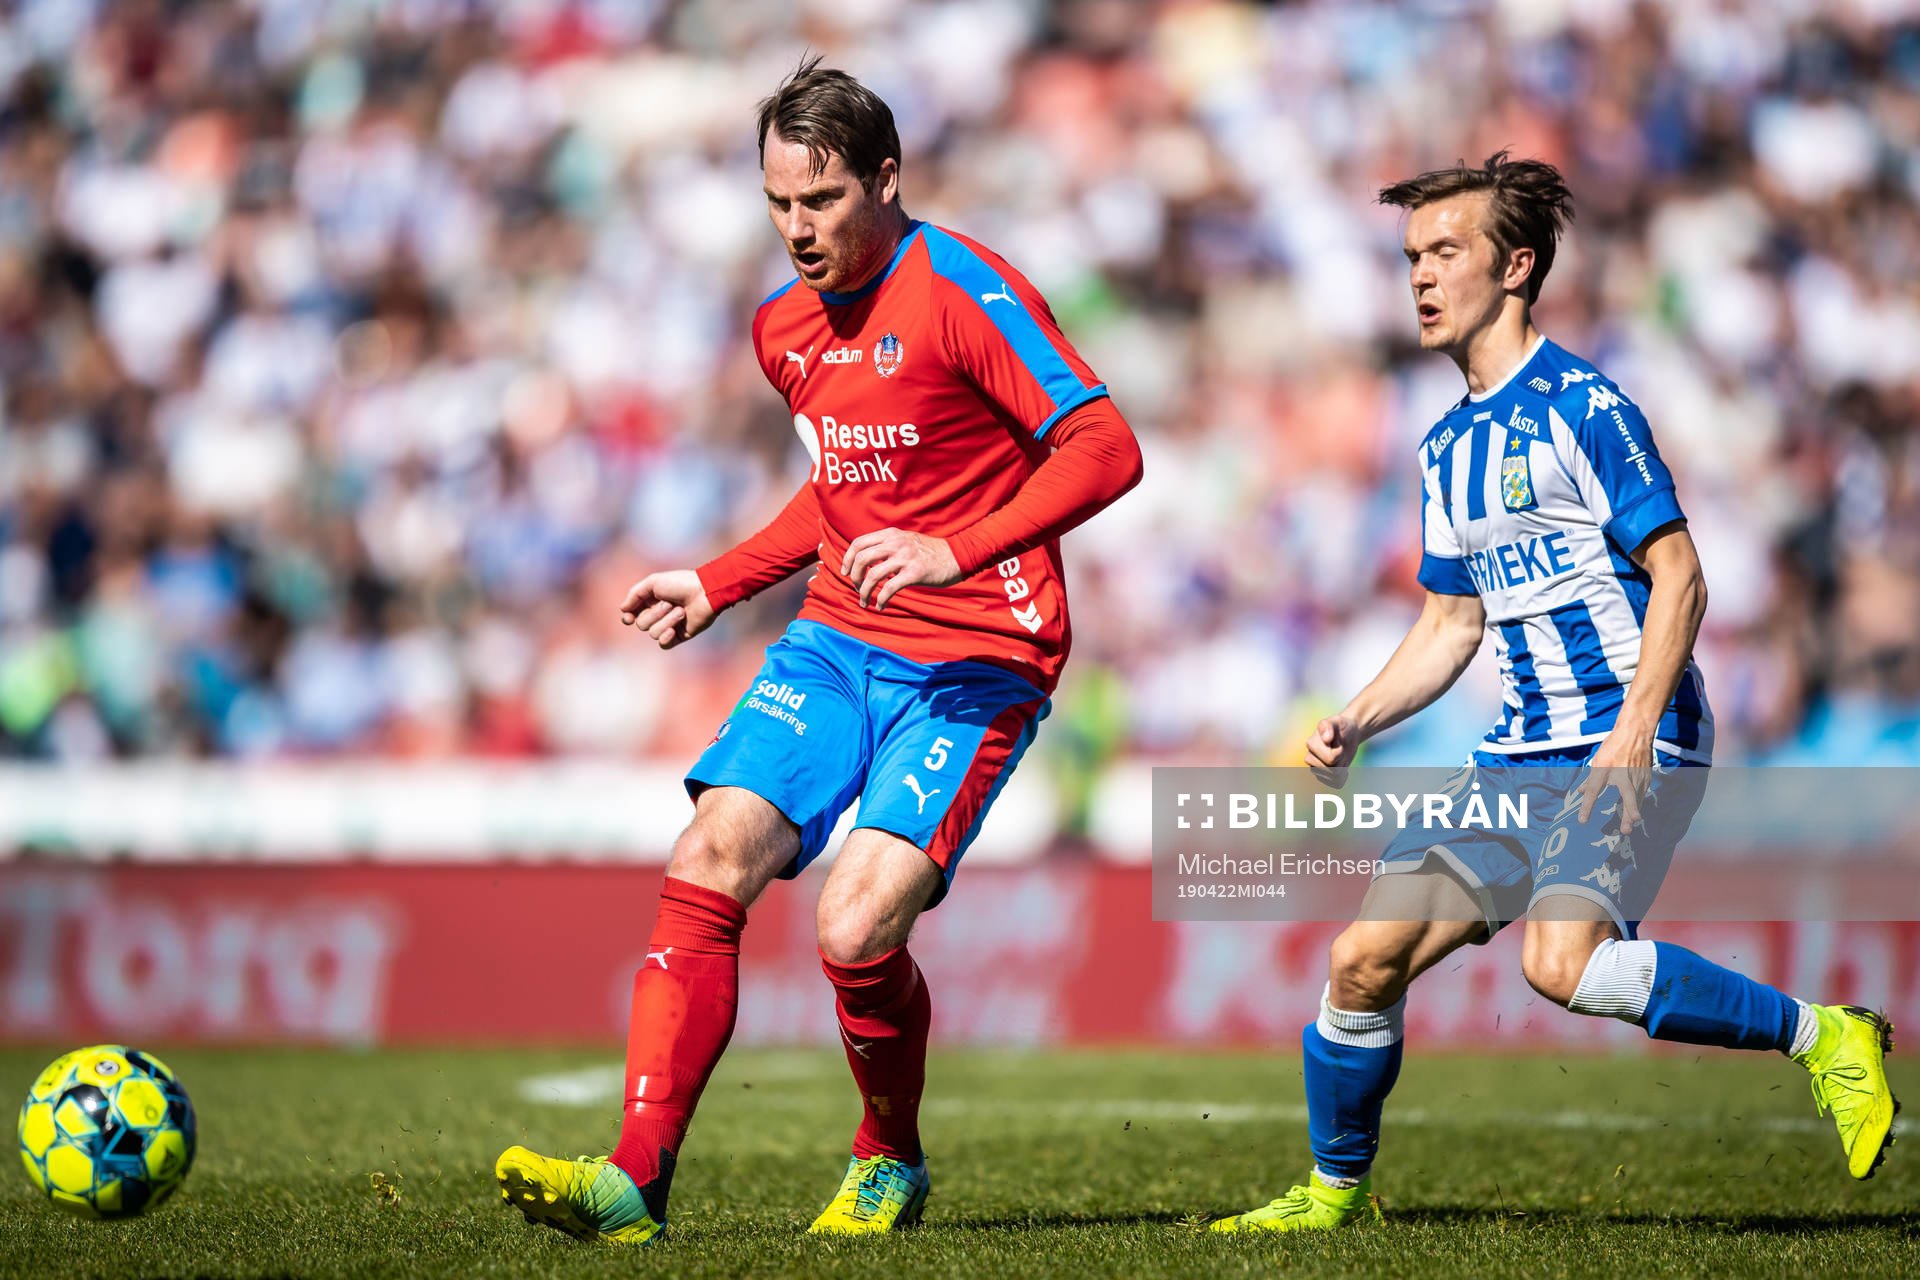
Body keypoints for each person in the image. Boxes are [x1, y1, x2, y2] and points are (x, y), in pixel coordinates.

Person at [493, 57, 1142, 1244]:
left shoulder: (964, 289)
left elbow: (1105, 446)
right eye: (780, 202)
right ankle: (635, 1176)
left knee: (854, 927)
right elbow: (842, 495)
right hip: (841, 634)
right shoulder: (784, 326)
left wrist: (959, 548)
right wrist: (718, 578)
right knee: (710, 849)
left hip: (981, 651)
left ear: (886, 180)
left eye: (824, 200)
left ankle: (889, 1153)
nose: (799, 228)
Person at [1208, 153, 1897, 1234]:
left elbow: (1683, 575)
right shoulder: (1443, 448)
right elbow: (1450, 623)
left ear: (1517, 264)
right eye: (1410, 259)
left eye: (1446, 253)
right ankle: (1334, 1190)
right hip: (1519, 750)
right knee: (1361, 958)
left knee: (1559, 962)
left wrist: (1629, 735)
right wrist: (1359, 713)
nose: (1421, 279)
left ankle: (1827, 1036)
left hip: (1635, 727)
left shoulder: (1587, 405)